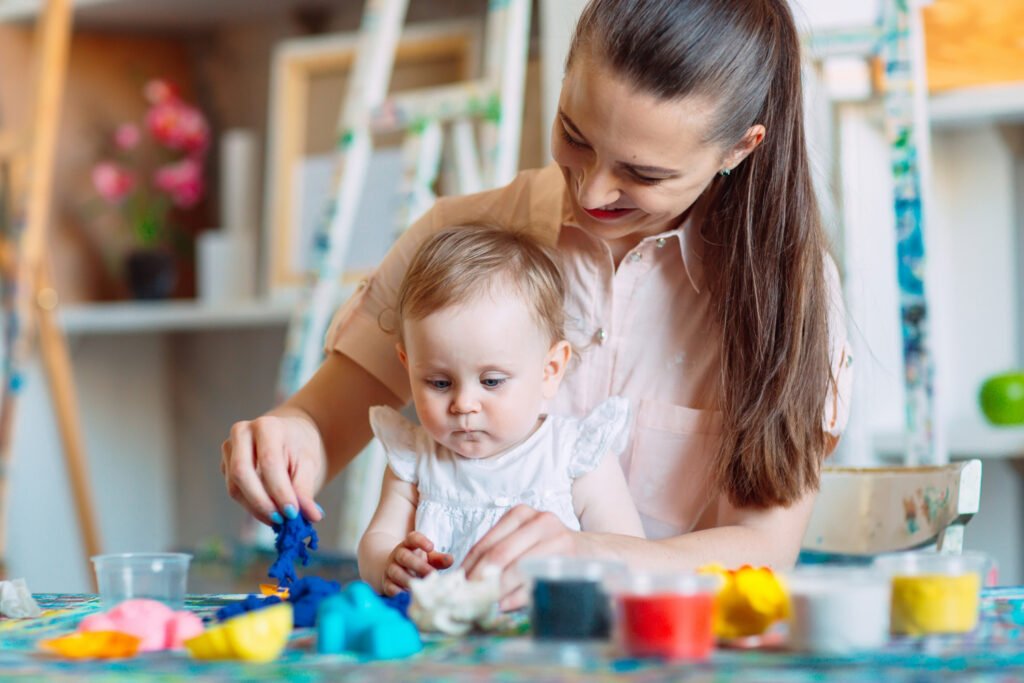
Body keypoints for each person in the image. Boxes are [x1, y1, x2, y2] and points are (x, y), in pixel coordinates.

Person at [222, 0, 853, 610]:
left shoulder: (786, 297)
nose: (594, 188)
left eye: (644, 174)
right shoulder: (458, 237)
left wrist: (593, 555)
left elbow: (766, 550)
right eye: (575, 136)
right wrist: (287, 437)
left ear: (739, 149)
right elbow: (321, 421)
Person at [356, 226, 644, 596]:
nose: (463, 404)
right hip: (440, 643)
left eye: (491, 382)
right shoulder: (415, 461)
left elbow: (627, 558)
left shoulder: (576, 458)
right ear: (408, 364)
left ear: (549, 370)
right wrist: (388, 564)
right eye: (439, 383)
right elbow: (376, 541)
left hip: (544, 638)